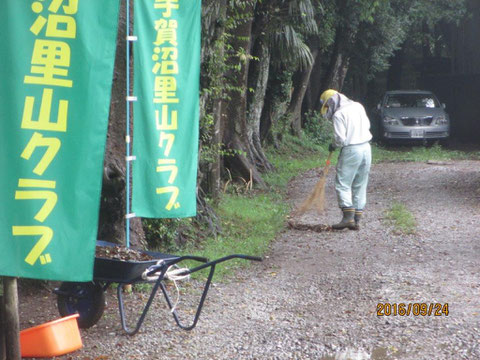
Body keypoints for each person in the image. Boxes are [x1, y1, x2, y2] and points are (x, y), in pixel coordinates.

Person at [320, 89, 372, 230]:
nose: (328, 109)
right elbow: (368, 126)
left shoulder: (338, 114)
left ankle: (348, 218)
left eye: (327, 106)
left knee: (343, 183)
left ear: (332, 102)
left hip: (351, 150)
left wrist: (333, 145)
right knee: (360, 183)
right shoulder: (358, 106)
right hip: (366, 148)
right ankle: (357, 219)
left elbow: (340, 139)